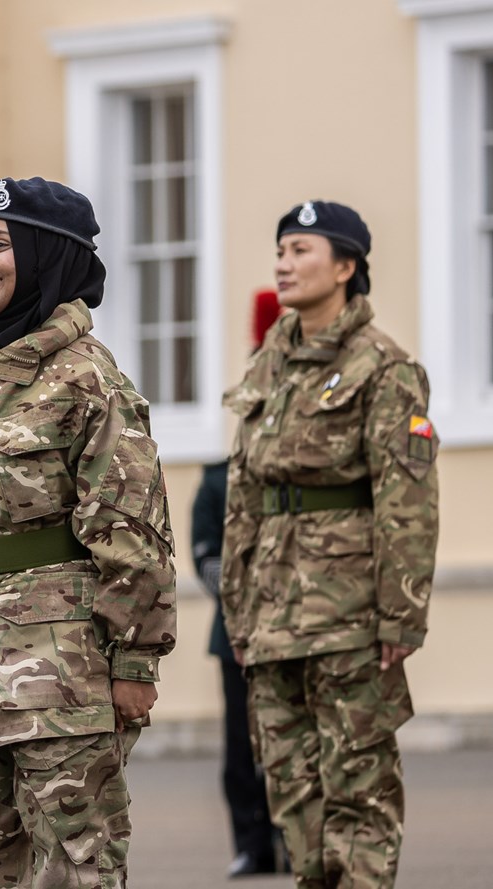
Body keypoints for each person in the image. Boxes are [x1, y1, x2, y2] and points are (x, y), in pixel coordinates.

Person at [0, 177, 176, 888]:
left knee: (74, 869)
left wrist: (134, 663)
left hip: (62, 673)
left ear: (45, 256)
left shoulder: (86, 379)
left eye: (0, 243)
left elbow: (133, 532)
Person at [220, 201, 437, 889]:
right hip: (270, 611)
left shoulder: (384, 367)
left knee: (358, 788)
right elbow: (243, 494)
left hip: (347, 614)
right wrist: (235, 606)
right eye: (279, 249)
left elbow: (406, 500)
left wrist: (399, 614)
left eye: (301, 249)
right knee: (294, 794)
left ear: (345, 267)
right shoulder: (269, 365)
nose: (283, 262)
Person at [193, 289, 284, 879]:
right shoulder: (219, 479)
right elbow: (206, 553)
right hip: (237, 629)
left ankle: (297, 837)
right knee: (241, 748)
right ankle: (252, 843)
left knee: (295, 743)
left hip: (302, 621)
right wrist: (245, 598)